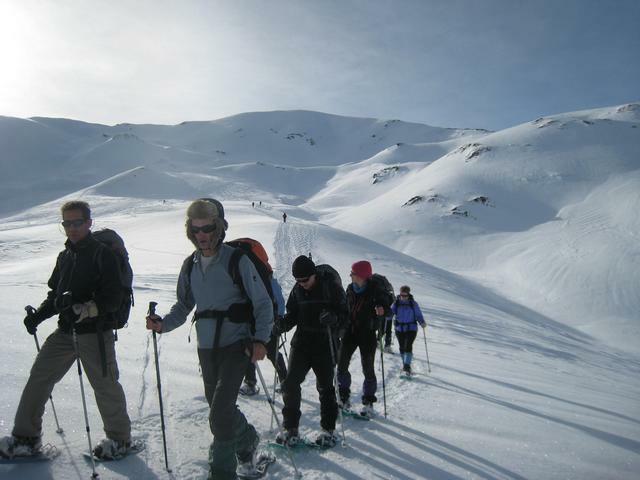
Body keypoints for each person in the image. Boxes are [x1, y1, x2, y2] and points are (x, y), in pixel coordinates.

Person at [145, 198, 273, 480]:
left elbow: (263, 303)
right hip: (206, 348)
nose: (201, 235)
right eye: (196, 229)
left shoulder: (236, 260)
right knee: (220, 409)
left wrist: (261, 340)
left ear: (219, 227)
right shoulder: (189, 265)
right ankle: (248, 441)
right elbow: (184, 305)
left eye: (207, 228)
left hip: (237, 345)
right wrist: (162, 324)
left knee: (219, 414)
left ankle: (222, 472)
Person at [0, 201, 132, 460]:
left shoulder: (102, 255)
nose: (72, 228)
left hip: (95, 333)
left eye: (77, 222)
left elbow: (113, 298)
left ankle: (120, 440)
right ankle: (26, 437)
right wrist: (38, 316)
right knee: (39, 377)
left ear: (89, 223)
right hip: (65, 331)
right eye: (67, 223)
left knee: (105, 386)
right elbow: (56, 295)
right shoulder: (65, 256)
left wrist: (84, 310)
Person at [275, 256, 348, 447]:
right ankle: (291, 429)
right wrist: (281, 325)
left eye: (305, 280)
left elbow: (345, 316)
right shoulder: (298, 290)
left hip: (325, 343)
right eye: (298, 280)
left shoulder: (331, 287)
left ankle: (328, 430)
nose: (302, 284)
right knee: (290, 384)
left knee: (325, 387)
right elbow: (292, 315)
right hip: (302, 342)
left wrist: (334, 318)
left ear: (314, 274)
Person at [337, 261, 393, 417]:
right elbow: (345, 309)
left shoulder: (376, 290)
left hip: (367, 333)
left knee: (367, 368)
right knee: (341, 364)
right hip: (350, 332)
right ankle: (343, 397)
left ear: (362, 275)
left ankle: (368, 402)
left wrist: (382, 310)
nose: (351, 275)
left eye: (353, 273)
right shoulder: (350, 289)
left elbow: (389, 310)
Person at [240, 275, 288, 396]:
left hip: (269, 323)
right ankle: (250, 382)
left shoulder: (269, 281)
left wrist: (279, 319)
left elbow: (279, 302)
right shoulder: (251, 279)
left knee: (271, 352)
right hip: (252, 322)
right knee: (250, 351)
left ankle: (285, 382)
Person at [391, 286, 426, 374]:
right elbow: (390, 313)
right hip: (399, 328)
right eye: (401, 295)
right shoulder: (396, 303)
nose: (403, 297)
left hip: (411, 328)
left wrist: (422, 322)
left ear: (408, 294)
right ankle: (405, 364)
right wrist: (385, 316)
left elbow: (418, 314)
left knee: (408, 346)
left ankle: (407, 366)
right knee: (402, 347)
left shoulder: (413, 304)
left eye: (405, 295)